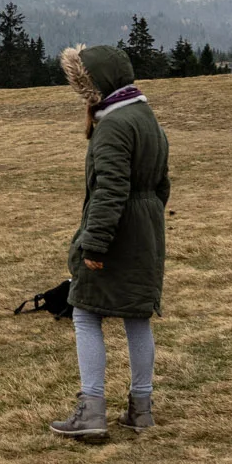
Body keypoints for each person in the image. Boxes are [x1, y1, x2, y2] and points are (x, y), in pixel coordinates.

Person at [49, 44, 170, 439]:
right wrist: (146, 222)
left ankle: (92, 410)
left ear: (93, 87)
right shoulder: (147, 117)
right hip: (145, 229)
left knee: (85, 312)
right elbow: (161, 186)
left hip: (117, 230)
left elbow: (110, 191)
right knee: (137, 315)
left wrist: (95, 244)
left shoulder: (114, 126)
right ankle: (141, 409)